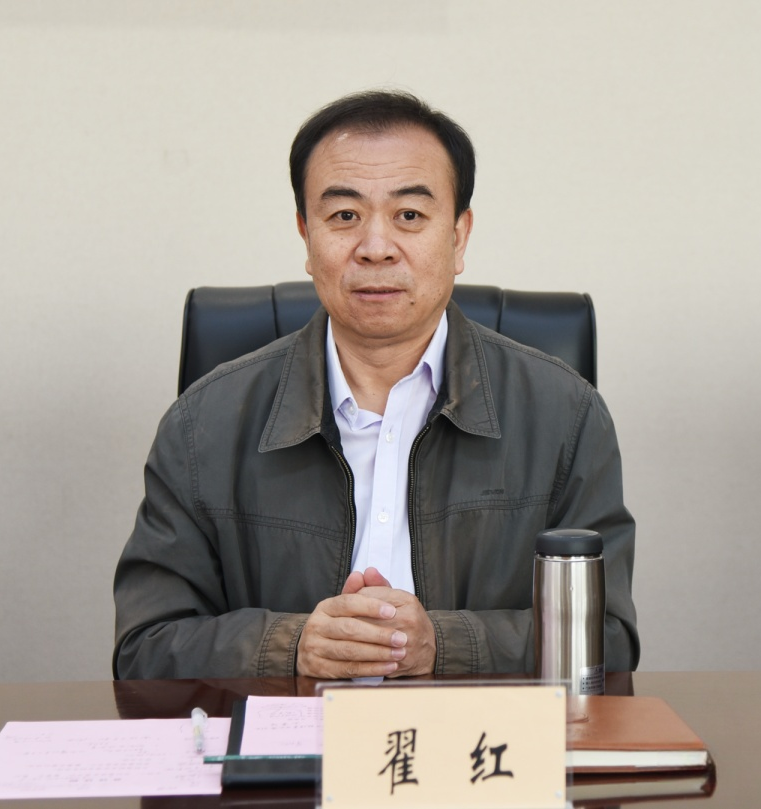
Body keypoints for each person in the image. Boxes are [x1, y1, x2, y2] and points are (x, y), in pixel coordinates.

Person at [113, 90, 639, 680]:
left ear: (459, 236)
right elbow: (146, 646)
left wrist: (442, 644)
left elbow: (607, 638)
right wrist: (293, 646)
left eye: (409, 215)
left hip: (476, 737)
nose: (376, 248)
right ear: (306, 235)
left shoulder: (565, 415)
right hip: (290, 737)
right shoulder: (202, 425)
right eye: (344, 216)